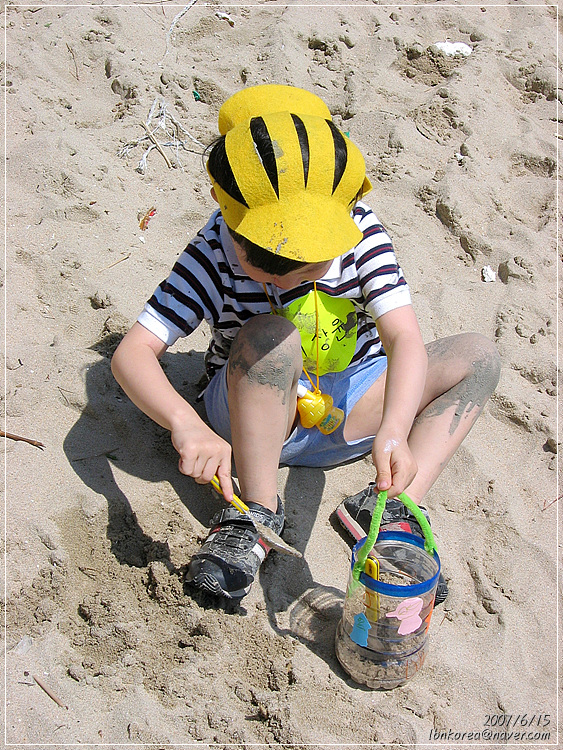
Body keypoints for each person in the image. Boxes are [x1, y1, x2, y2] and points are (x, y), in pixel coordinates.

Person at [111, 84, 500, 601]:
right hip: (254, 419)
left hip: (350, 408)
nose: (286, 279)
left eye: (309, 265)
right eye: (266, 264)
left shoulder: (359, 233)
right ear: (232, 220)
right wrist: (186, 424)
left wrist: (394, 429)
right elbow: (132, 353)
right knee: (270, 334)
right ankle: (255, 515)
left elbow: (403, 336)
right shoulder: (213, 250)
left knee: (478, 357)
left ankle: (390, 506)